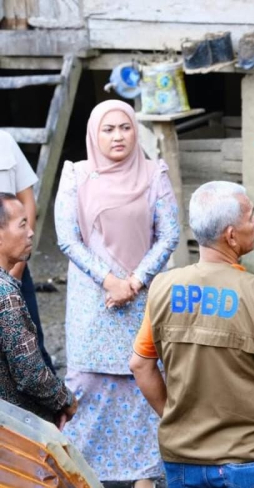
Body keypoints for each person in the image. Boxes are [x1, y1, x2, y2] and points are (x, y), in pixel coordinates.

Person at [130, 181, 254, 488]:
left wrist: (175, 418)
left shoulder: (162, 287)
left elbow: (139, 364)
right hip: (250, 458)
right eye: (251, 217)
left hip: (183, 457)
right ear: (231, 235)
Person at [54, 100, 180, 487]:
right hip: (93, 303)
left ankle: (145, 478)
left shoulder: (154, 172)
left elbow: (170, 233)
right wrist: (109, 280)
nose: (118, 136)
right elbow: (67, 239)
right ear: (94, 134)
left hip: (141, 299)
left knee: (143, 386)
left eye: (125, 127)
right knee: (86, 388)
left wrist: (135, 281)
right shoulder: (76, 176)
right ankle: (82, 475)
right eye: (108, 129)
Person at [0, 192, 77, 427]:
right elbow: (30, 373)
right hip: (14, 429)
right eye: (22, 224)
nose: (31, 232)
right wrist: (64, 400)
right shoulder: (6, 296)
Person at [0, 130, 54, 372]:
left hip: (13, 267)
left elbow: (27, 202)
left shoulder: (4, 141)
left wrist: (19, 266)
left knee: (32, 349)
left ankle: (54, 406)